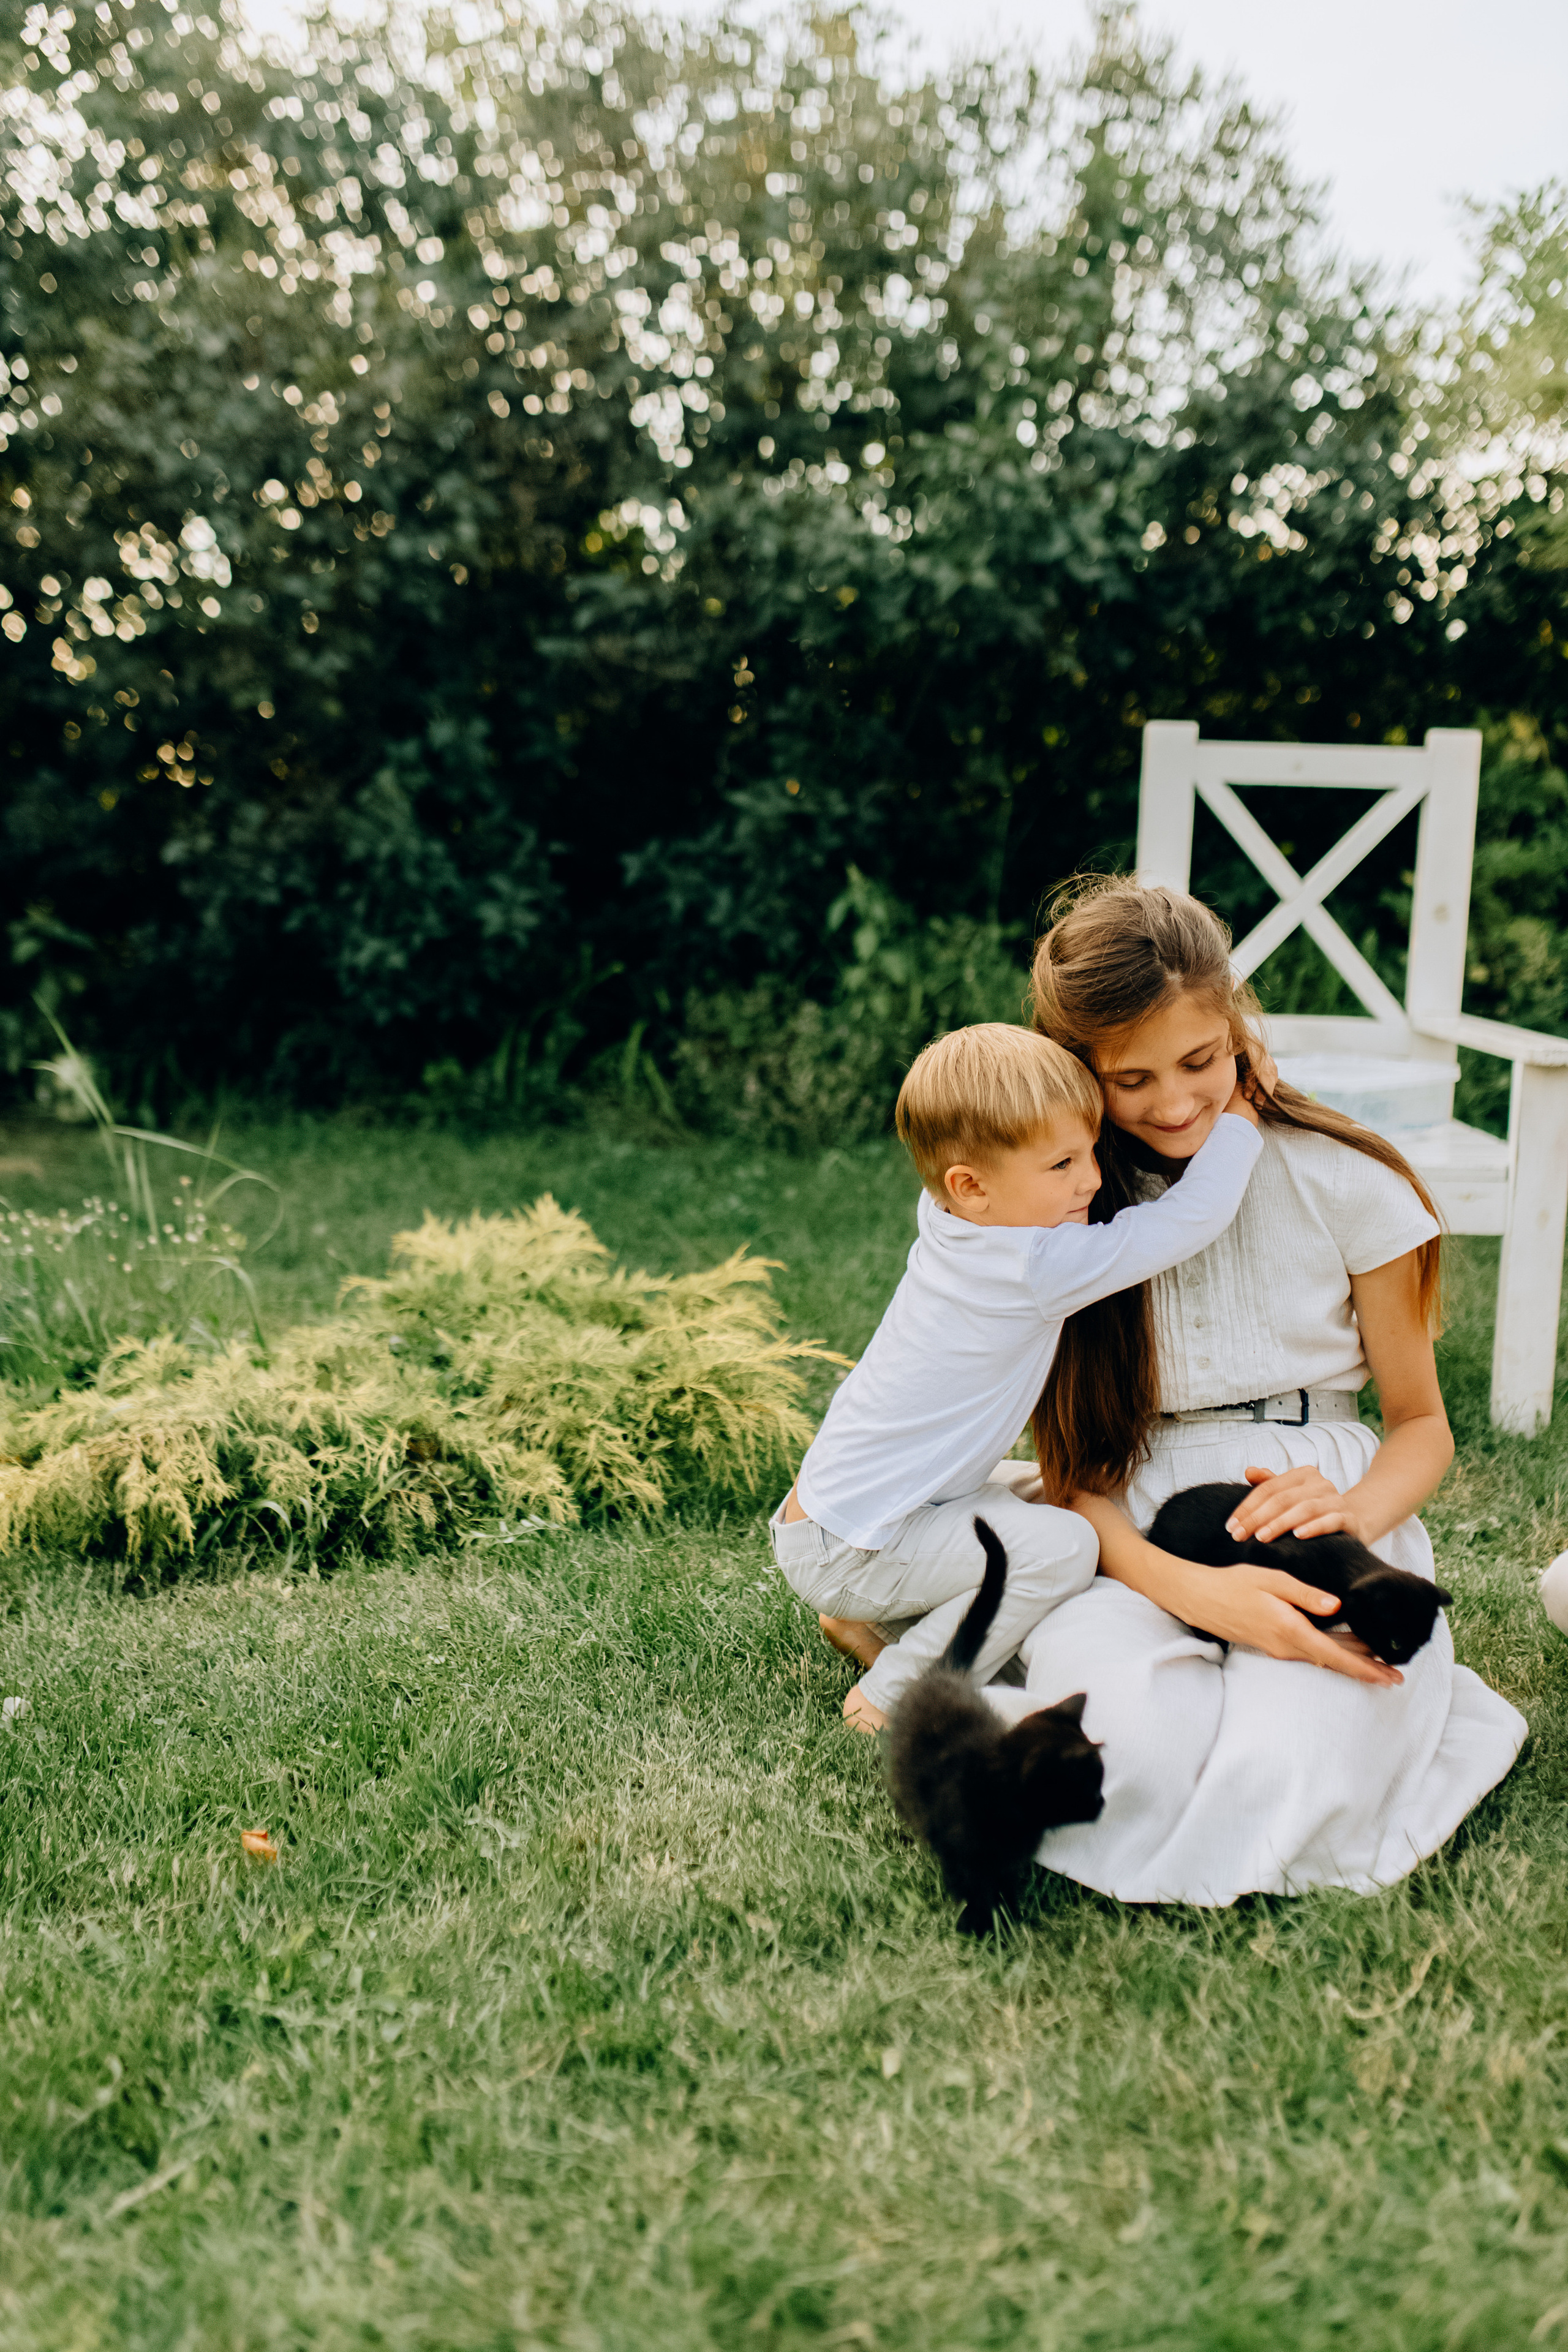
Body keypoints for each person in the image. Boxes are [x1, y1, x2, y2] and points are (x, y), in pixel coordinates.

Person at [962, 876, 1526, 1905]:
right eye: (1130, 1080)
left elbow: (1422, 1428)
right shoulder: (1061, 1209)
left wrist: (1353, 1512)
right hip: (1126, 1524)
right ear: (1076, 1073)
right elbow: (1075, 1467)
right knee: (1126, 1759)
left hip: (1320, 1505)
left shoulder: (1347, 1178)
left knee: (1293, 1775)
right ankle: (978, 1683)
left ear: (1238, 1027)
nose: (1175, 1104)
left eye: (1200, 1060)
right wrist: (1184, 1588)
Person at [770, 1019, 1267, 1732]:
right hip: (854, 1545)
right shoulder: (1032, 1265)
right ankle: (896, 1690)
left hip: (838, 1514)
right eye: (1061, 1165)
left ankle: (860, 1620)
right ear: (970, 1186)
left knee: (1055, 1495)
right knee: (1064, 1547)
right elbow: (1189, 1221)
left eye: (1089, 1152)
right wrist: (1241, 1116)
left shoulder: (950, 1218)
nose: (1092, 1179)